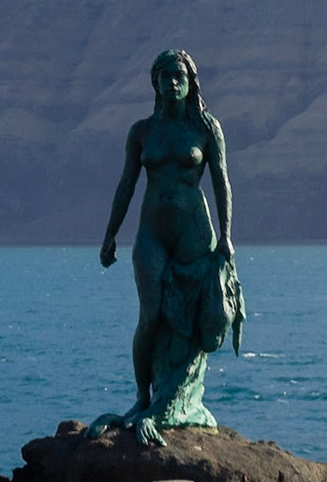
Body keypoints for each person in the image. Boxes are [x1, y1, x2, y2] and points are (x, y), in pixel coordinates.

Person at [94, 49, 244, 446]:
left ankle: (176, 402)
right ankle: (145, 397)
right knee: (151, 315)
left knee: (197, 322)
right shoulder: (142, 132)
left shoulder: (207, 128)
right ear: (156, 83)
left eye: (180, 76)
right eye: (166, 76)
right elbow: (126, 185)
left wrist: (227, 235)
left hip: (195, 233)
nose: (173, 83)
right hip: (152, 235)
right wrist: (110, 233)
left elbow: (221, 183)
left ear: (191, 82)